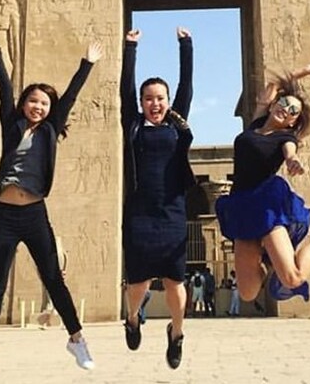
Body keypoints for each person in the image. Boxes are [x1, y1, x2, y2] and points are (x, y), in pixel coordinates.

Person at [0, 29, 103, 383]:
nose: (38, 107)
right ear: (25, 104)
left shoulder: (49, 130)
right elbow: (3, 89)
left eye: (44, 103)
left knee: (53, 279)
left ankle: (76, 339)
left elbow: (71, 96)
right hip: (4, 214)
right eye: (33, 101)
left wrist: (87, 63)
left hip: (33, 213)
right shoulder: (12, 124)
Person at [215, 62, 310, 307]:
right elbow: (273, 86)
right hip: (241, 206)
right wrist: (301, 72)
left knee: (292, 277)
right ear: (273, 105)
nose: (287, 110)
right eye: (285, 104)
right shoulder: (256, 123)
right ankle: (266, 259)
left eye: (294, 112)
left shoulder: (287, 137)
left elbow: (290, 152)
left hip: (266, 206)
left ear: (293, 122)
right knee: (248, 292)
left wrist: (293, 161)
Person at [120, 27, 195, 369]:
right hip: (140, 212)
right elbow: (124, 89)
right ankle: (133, 318)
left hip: (173, 211)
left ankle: (176, 334)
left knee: (175, 281)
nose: (155, 104)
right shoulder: (133, 125)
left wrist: (185, 45)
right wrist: (130, 48)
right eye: (149, 98)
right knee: (138, 283)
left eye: (160, 98)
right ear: (141, 103)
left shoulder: (176, 124)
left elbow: (187, 86)